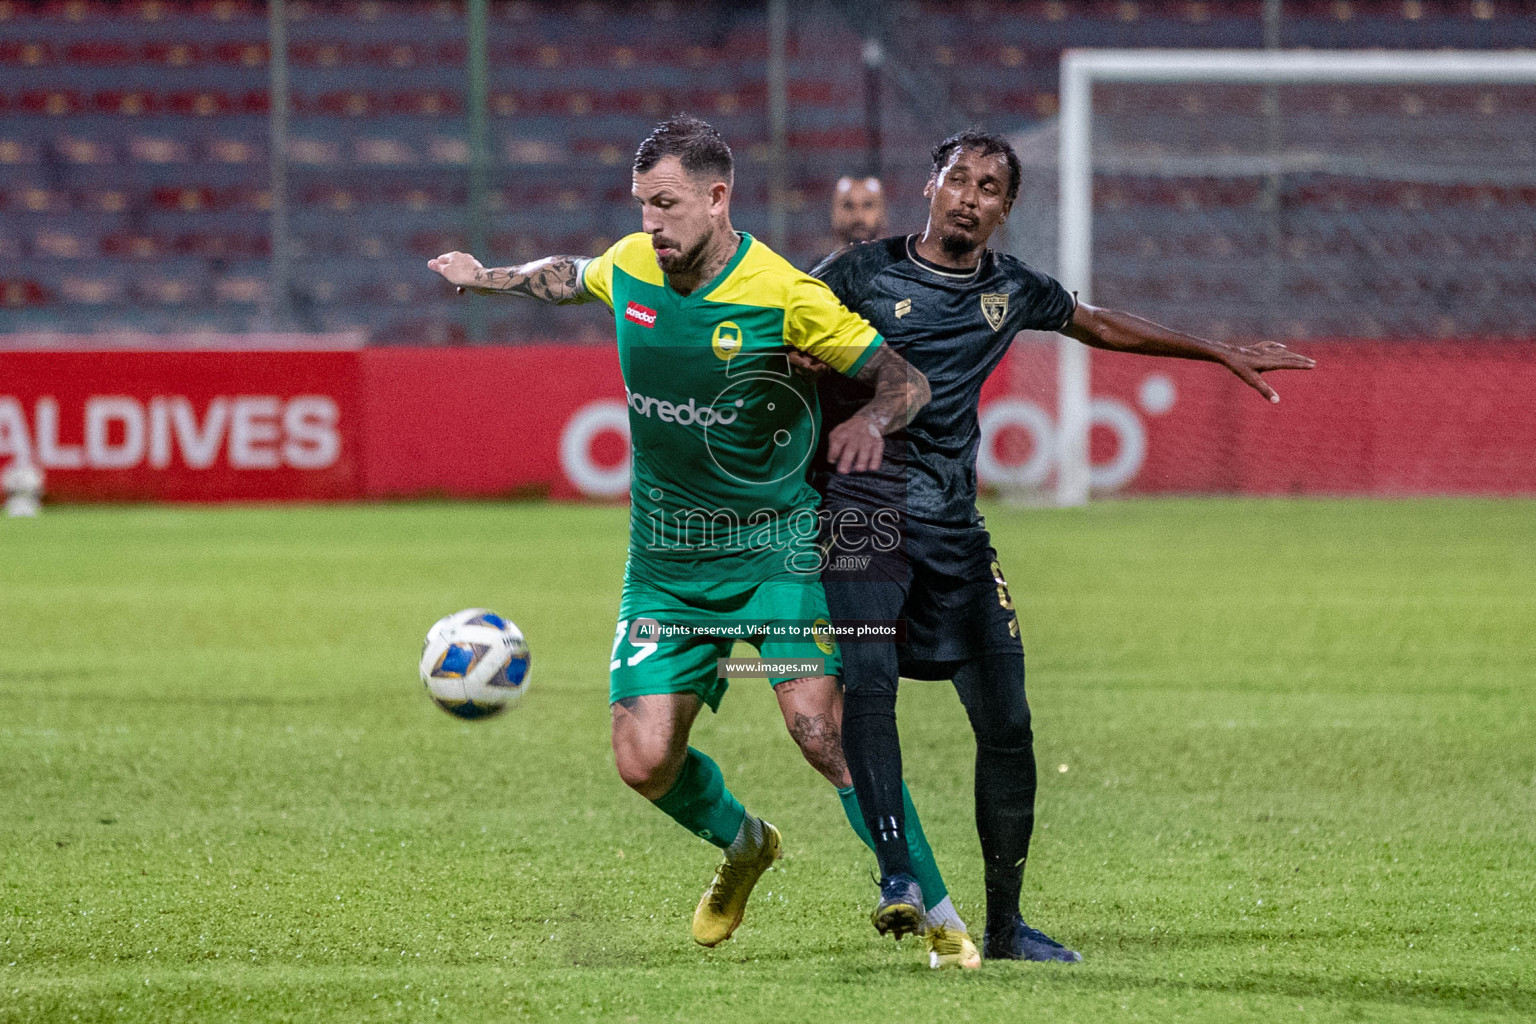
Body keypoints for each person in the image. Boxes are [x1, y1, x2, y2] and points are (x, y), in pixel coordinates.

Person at [427, 116, 982, 969]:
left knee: (817, 730)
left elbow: (904, 381)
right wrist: (486, 276)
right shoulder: (633, 266)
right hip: (665, 561)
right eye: (644, 204)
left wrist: (869, 419)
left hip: (775, 547)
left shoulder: (783, 292)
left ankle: (936, 912)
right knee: (643, 759)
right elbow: (569, 276)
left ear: (719, 198)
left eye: (668, 203)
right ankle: (747, 842)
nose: (653, 222)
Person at [806, 129, 1315, 961]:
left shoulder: (1012, 289)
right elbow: (784, 332)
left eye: (989, 187)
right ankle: (897, 875)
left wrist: (1214, 350)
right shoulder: (859, 271)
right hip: (863, 516)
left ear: (1006, 210)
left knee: (1008, 722)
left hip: (955, 531)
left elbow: (1097, 324)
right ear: (930, 186)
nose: (970, 195)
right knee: (867, 682)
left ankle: (1006, 928)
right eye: (958, 178)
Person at [830, 175, 888, 247]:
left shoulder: (902, 257)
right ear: (836, 213)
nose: (858, 216)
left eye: (868, 205)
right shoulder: (822, 258)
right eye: (848, 206)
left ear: (881, 212)